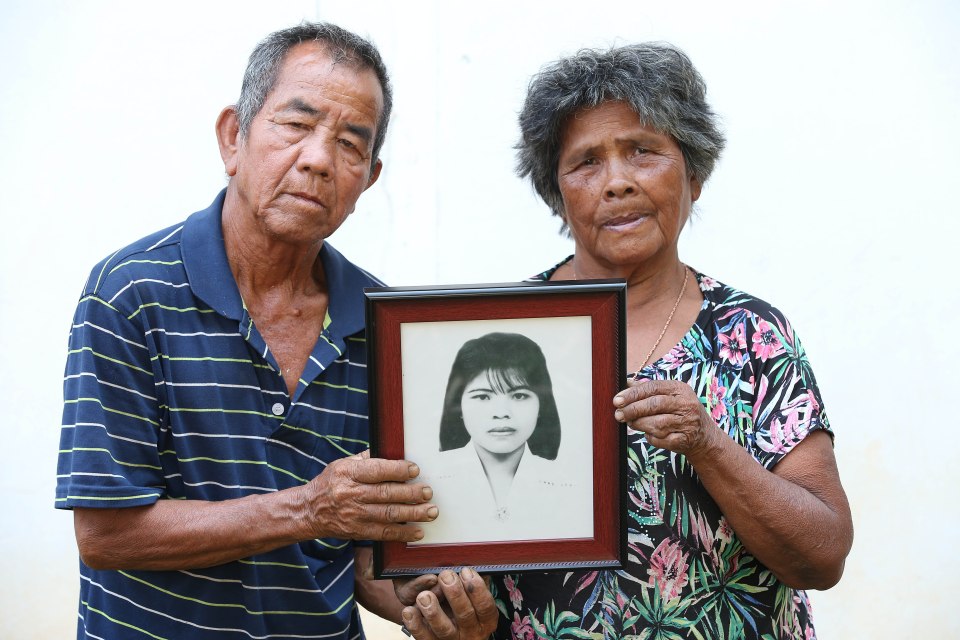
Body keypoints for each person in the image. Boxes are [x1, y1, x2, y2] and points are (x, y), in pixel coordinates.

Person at [54, 22, 495, 640]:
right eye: (296, 124)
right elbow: (106, 534)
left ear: (367, 178)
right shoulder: (131, 292)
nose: (317, 159)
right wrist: (308, 507)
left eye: (350, 143)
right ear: (234, 138)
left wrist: (423, 600)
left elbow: (362, 550)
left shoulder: (386, 322)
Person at [473, 43, 853, 639]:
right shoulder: (495, 334)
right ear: (558, 193)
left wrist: (708, 443)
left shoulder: (752, 335)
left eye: (643, 152)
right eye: (586, 163)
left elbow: (823, 555)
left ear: (694, 175)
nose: (618, 182)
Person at [416, 332, 590, 544]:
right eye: (482, 396)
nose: (501, 412)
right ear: (458, 405)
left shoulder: (574, 487)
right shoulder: (424, 481)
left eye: (519, 395)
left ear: (541, 405)